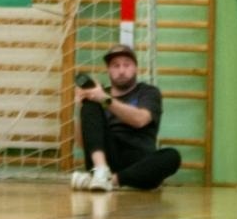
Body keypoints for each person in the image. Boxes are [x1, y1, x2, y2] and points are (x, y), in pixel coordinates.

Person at [72, 44, 182, 192]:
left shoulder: (149, 92)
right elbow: (82, 143)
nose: (121, 70)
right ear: (108, 70)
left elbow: (140, 120)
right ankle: (101, 171)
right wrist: (80, 107)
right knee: (90, 104)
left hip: (139, 161)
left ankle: (111, 180)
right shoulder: (97, 97)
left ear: (135, 68)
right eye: (115, 66)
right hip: (105, 158)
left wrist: (105, 99)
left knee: (172, 157)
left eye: (126, 65)